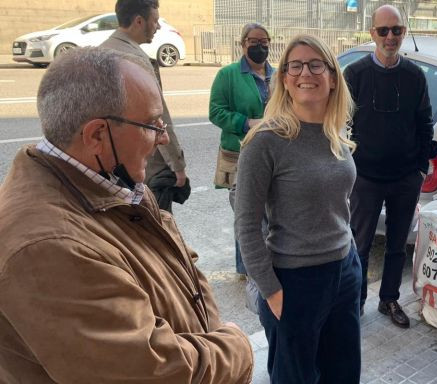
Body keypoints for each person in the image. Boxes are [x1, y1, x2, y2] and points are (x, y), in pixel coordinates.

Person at [0, 47, 253, 383]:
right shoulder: (46, 246)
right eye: (150, 124)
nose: (163, 137)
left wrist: (212, 333)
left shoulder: (114, 183)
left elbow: (185, 267)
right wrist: (234, 349)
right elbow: (148, 372)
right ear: (96, 136)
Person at [235, 34, 361, 383]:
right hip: (295, 280)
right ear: (285, 80)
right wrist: (271, 291)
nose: (306, 72)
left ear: (333, 77)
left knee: (344, 374)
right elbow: (246, 226)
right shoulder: (265, 142)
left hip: (344, 270)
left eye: (316, 64)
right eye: (295, 65)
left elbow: (339, 204)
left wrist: (351, 263)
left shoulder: (335, 133)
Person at [344, 4, 436, 328]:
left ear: (403, 33)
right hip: (365, 178)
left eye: (396, 30)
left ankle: (389, 299)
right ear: (372, 34)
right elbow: (340, 124)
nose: (390, 37)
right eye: (383, 30)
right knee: (360, 245)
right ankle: (354, 303)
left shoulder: (414, 76)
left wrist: (420, 168)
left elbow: (425, 123)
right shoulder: (354, 74)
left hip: (404, 179)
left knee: (397, 245)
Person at [101, 0, 187, 212]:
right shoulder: (136, 61)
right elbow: (159, 118)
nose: (158, 27)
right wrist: (177, 166)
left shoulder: (99, 53)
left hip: (110, 165)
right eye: (155, 21)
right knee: (156, 229)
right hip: (144, 166)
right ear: (139, 21)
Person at [209, 22, 274, 278]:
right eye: (253, 42)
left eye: (264, 42)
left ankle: (268, 262)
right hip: (239, 152)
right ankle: (246, 269)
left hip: (270, 154)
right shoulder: (228, 75)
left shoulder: (277, 75)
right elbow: (215, 112)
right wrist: (246, 122)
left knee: (269, 210)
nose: (259, 47)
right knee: (247, 214)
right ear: (243, 43)